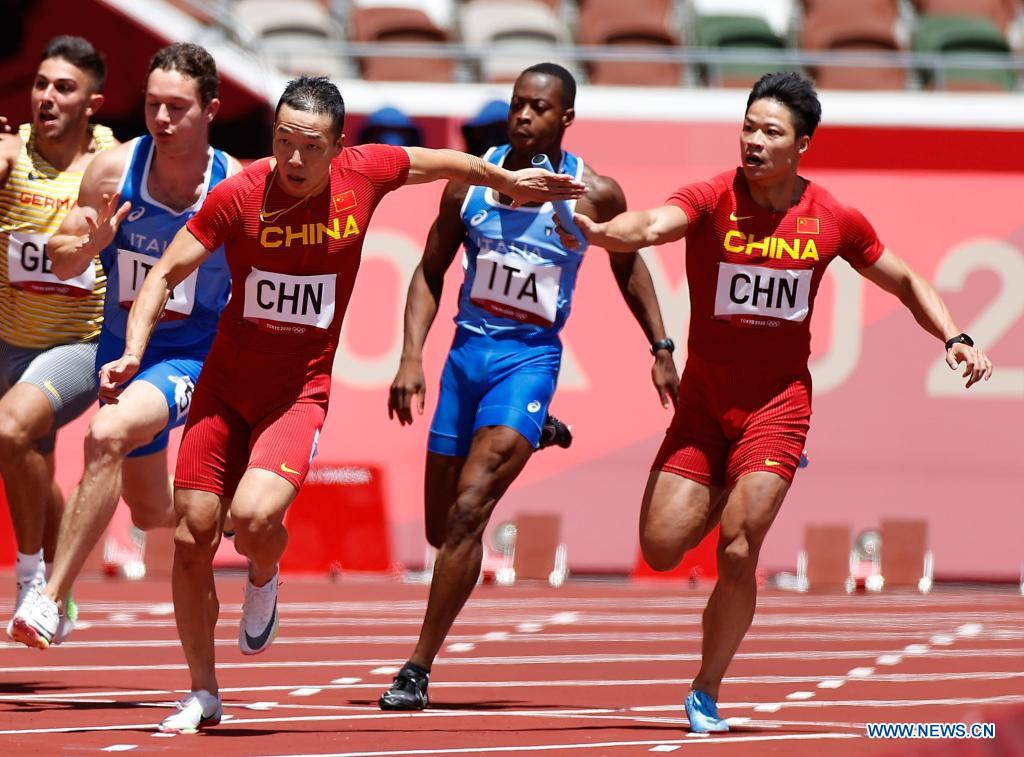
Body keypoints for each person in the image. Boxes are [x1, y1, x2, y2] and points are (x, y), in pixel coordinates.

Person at [83, 74, 583, 733]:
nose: (293, 159)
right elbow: (164, 273)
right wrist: (133, 351)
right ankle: (203, 691)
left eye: (311, 146)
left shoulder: (366, 172)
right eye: (283, 141)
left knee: (253, 517)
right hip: (224, 388)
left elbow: (444, 162)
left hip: (298, 393)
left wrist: (507, 181)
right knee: (191, 534)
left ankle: (265, 570)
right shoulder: (240, 194)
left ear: (339, 146)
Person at [558, 71, 993, 733]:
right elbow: (650, 224)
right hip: (704, 403)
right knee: (663, 547)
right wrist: (602, 233)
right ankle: (724, 486)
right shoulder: (712, 196)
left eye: (770, 132)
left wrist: (954, 336)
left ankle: (705, 688)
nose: (754, 142)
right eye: (748, 128)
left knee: (738, 547)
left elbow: (904, 278)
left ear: (802, 145)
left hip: (777, 406)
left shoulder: (831, 217)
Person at [378, 62, 680, 711]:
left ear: (565, 118)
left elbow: (629, 268)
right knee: (440, 529)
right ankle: (536, 430)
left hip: (528, 362)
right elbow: (429, 270)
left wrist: (660, 346)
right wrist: (410, 356)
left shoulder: (594, 193)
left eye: (538, 107)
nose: (522, 115)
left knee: (469, 512)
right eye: (517, 103)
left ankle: (417, 667)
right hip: (464, 359)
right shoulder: (471, 183)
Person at [8, 42, 239, 649]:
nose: (162, 118)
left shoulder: (235, 186)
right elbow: (62, 256)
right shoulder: (113, 172)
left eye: (177, 107)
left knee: (104, 434)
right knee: (150, 511)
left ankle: (49, 599)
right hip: (118, 354)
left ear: (211, 110)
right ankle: (236, 512)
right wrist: (87, 246)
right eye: (152, 104)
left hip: (189, 357)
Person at [0, 35, 115, 640]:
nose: (46, 96)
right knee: (31, 463)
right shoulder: (9, 152)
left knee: (9, 430)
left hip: (79, 345)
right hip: (8, 339)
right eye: (40, 83)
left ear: (92, 103)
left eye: (63, 87)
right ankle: (60, 595)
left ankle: (31, 582)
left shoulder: (114, 165)